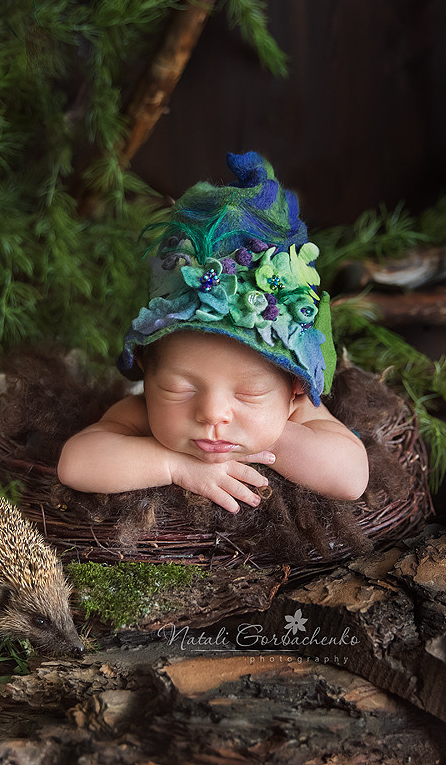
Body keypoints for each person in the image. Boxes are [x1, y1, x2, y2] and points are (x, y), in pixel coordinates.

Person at [58, 152, 369, 513]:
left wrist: (266, 436)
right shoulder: (146, 413)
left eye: (251, 394)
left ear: (295, 386)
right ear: (145, 371)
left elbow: (351, 479)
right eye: (179, 388)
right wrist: (173, 465)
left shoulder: (297, 413)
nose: (212, 413)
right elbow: (75, 463)